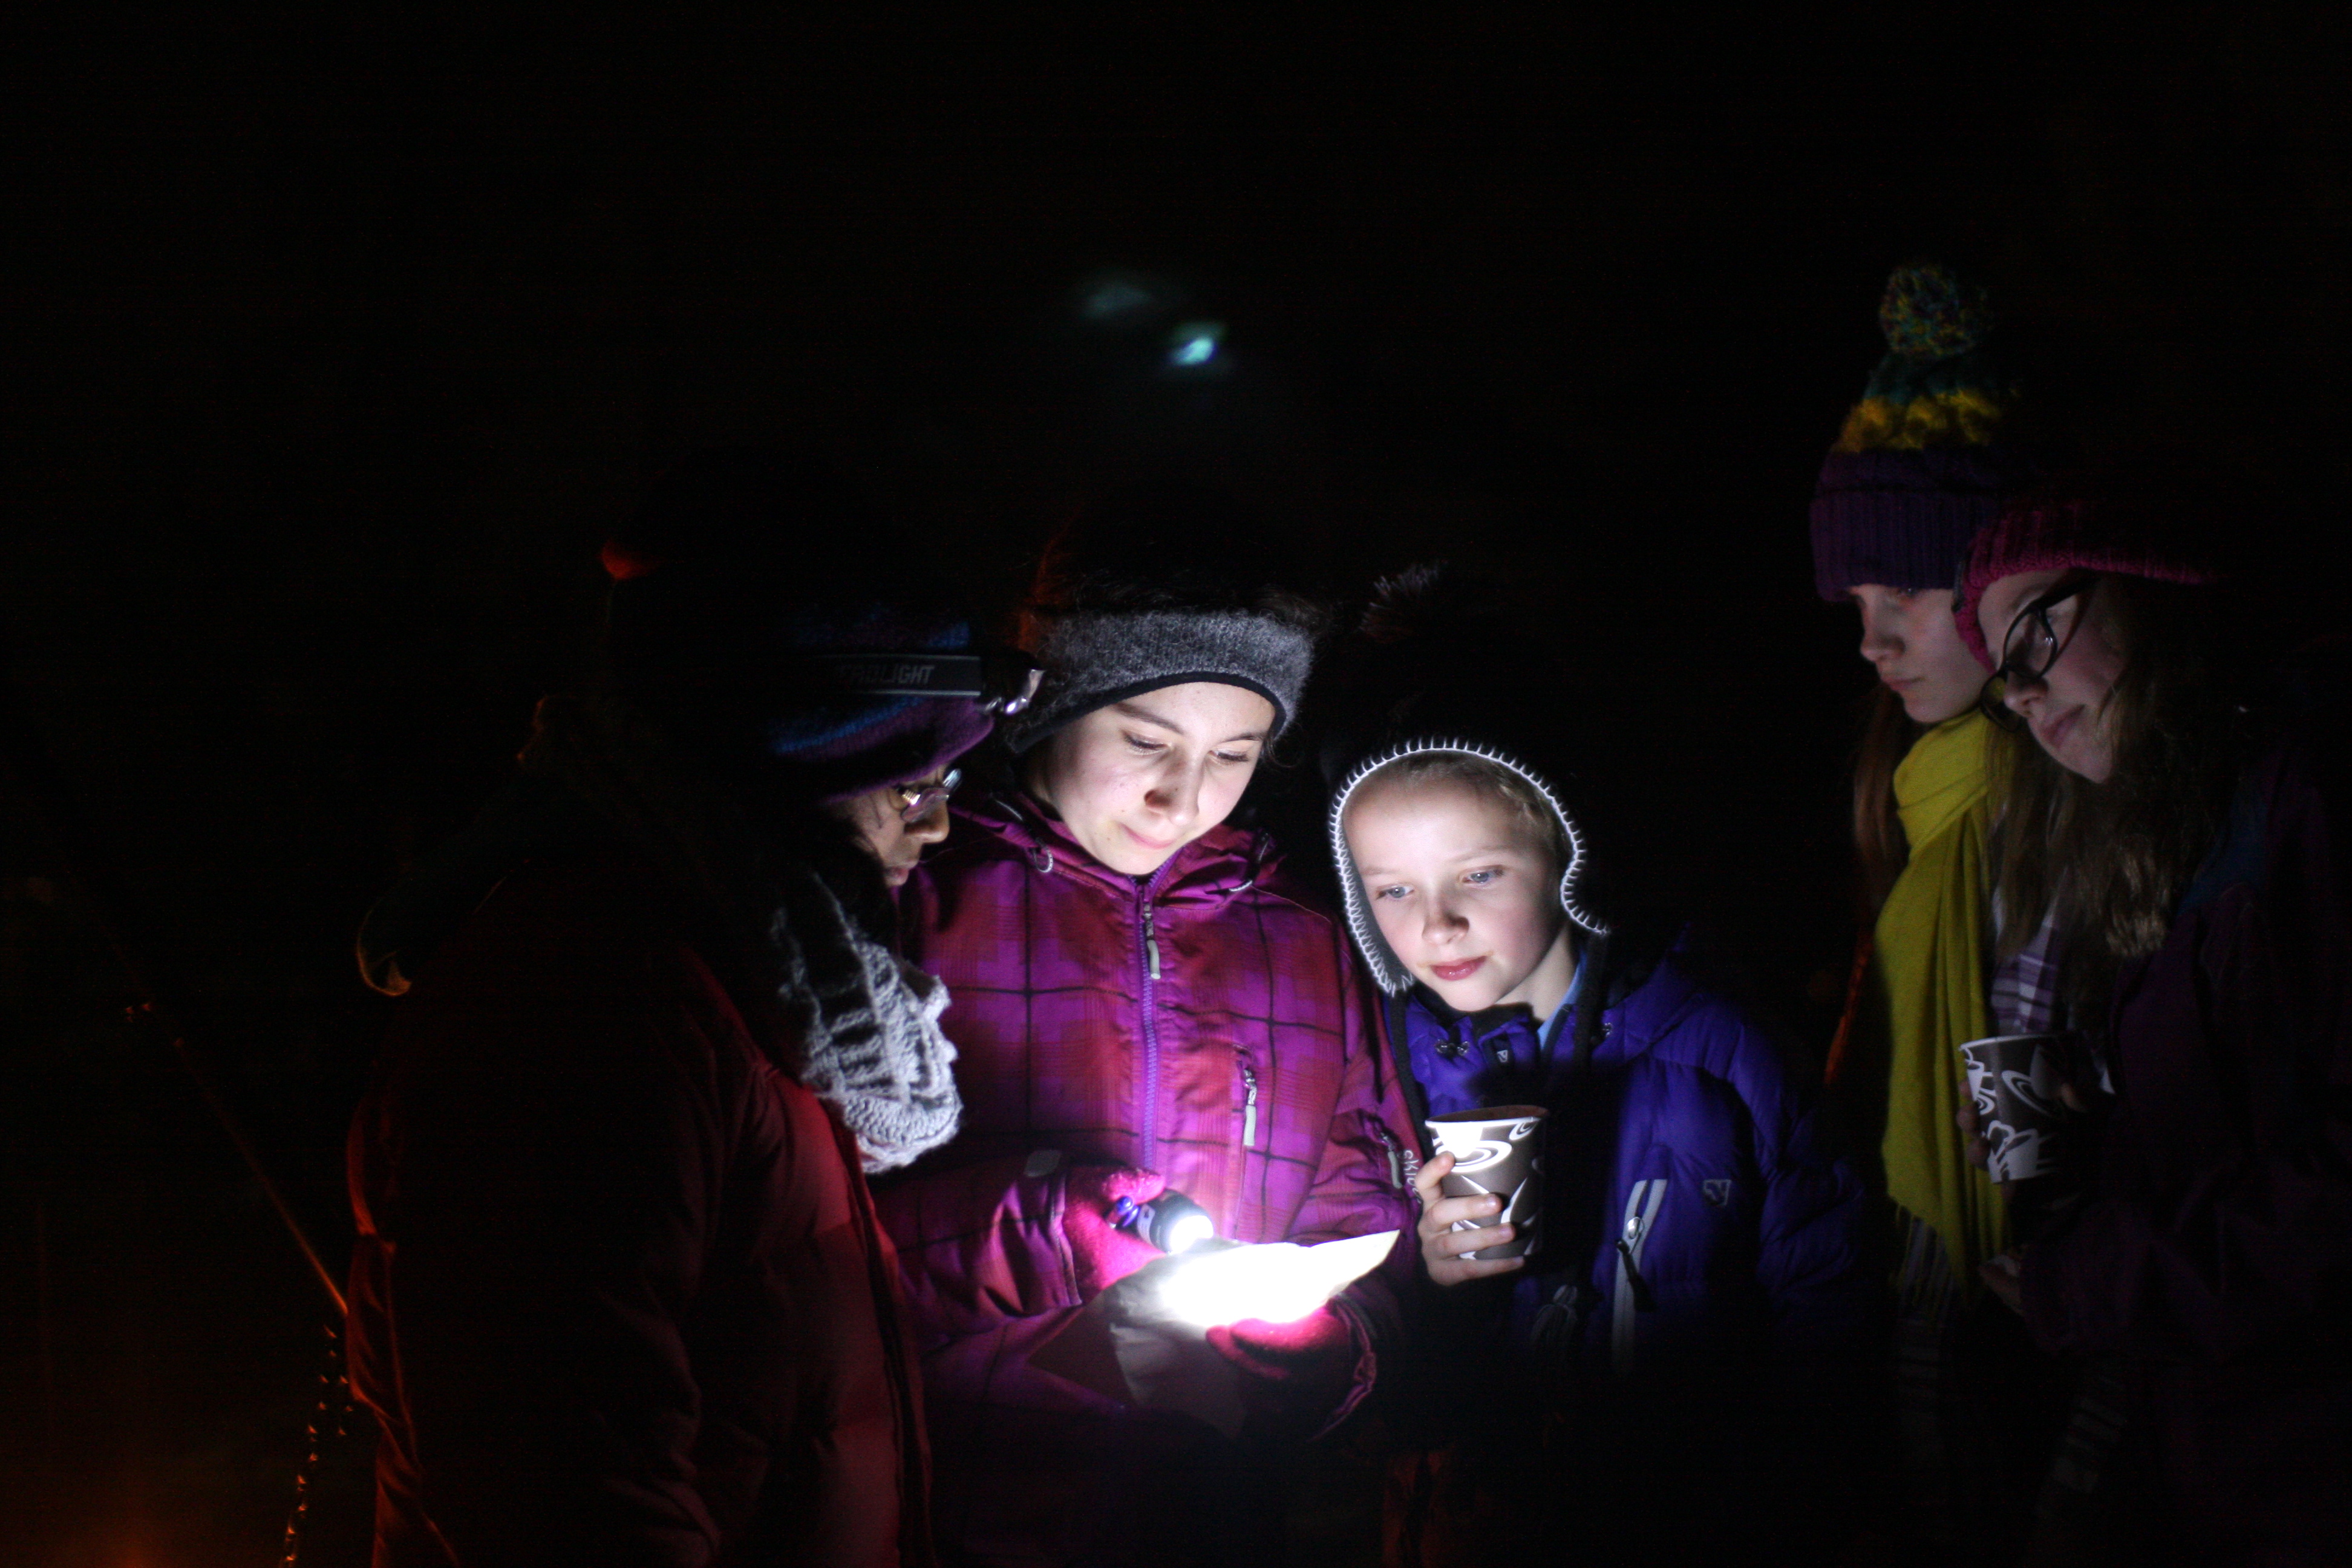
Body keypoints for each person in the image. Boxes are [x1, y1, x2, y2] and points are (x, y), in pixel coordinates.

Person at [346, 450, 1011, 1567]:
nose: (938, 828)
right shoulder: (585, 1002)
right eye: (911, 784)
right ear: (786, 768)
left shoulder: (758, 974)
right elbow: (564, 1486)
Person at [877, 485, 1418, 1567]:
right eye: (1145, 737)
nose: (1184, 798)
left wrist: (1316, 1355)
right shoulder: (910, 895)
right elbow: (785, 1253)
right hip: (936, 1508)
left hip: (1201, 1519)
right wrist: (1049, 1228)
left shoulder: (1302, 933)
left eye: (1235, 754)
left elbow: (1362, 1213)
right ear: (1054, 702)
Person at [1324, 567, 1872, 1564]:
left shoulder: (1715, 1048)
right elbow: (1373, 1378)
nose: (1436, 923)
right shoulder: (1379, 1079)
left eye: (1479, 875)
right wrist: (1436, 1285)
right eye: (1393, 890)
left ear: (1567, 852)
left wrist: (1777, 1498)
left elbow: (1827, 1299)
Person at [1957, 485, 2352, 1563]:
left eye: (2038, 625)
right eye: (2004, 677)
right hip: (2239, 1452)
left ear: (2156, 587)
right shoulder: (2182, 838)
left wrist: (2095, 1282)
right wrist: (2098, 1146)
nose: (2026, 693)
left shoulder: (2311, 793)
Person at [1808, 261, 2073, 1561]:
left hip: (2043, 1302)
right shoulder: (1917, 799)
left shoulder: (2061, 810)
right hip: (1923, 1285)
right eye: (1857, 605)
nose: (1872, 636)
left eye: (1902, 594)